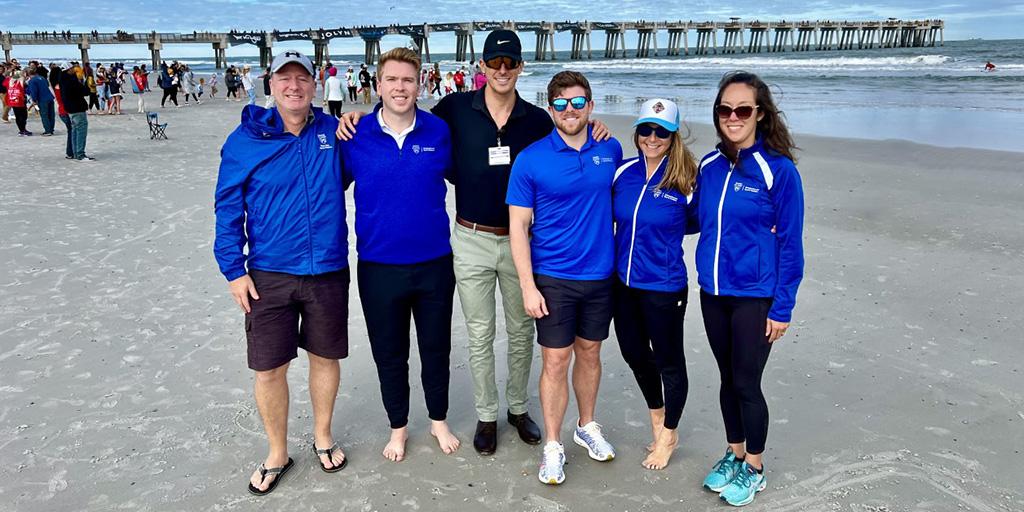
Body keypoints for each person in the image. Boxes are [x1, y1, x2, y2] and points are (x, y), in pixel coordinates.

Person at [214, 50, 350, 496]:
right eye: (284, 79)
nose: (294, 86)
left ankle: (323, 436)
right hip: (268, 274)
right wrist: (233, 270)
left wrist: (358, 120)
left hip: (327, 267)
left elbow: (369, 162)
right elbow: (227, 209)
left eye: (302, 78)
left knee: (325, 357)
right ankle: (277, 452)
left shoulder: (332, 132)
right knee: (269, 368)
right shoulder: (244, 141)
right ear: (270, 85)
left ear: (315, 85)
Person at [339, 47, 460, 463]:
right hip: (378, 266)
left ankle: (438, 420)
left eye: (408, 79)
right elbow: (326, 183)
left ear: (420, 84)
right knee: (390, 353)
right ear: (378, 85)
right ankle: (399, 427)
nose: (400, 87)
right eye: (391, 79)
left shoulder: (438, 131)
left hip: (434, 263)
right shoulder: (355, 134)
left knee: (436, 348)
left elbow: (476, 170)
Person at [507, 71, 623, 485]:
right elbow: (518, 226)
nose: (569, 110)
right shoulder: (531, 158)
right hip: (553, 275)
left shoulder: (610, 148)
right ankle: (553, 445)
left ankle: (586, 425)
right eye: (560, 103)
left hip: (601, 274)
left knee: (590, 352)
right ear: (550, 108)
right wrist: (527, 286)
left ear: (590, 105)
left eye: (577, 102)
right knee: (556, 360)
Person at [695, 71, 804, 507]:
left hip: (755, 295)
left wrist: (783, 306)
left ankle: (755, 468)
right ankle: (735, 453)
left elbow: (791, 243)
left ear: (760, 113)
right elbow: (694, 218)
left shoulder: (778, 170)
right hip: (713, 292)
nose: (733, 117)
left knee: (746, 381)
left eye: (743, 109)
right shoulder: (709, 165)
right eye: (725, 109)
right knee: (726, 378)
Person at [611, 98, 699, 470]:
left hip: (664, 287)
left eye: (661, 132)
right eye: (646, 129)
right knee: (633, 353)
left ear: (673, 136)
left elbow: (709, 220)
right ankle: (658, 416)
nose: (652, 137)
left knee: (669, 362)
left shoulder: (688, 180)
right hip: (623, 284)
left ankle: (669, 434)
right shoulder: (623, 173)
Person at [59, 63, 93, 160]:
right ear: (69, 70)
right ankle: (80, 154)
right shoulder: (71, 81)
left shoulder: (63, 80)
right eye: (72, 68)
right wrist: (85, 82)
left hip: (70, 108)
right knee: (81, 131)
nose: (74, 70)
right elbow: (85, 91)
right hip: (77, 108)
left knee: (74, 130)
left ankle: (75, 153)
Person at [26, 66, 55, 135]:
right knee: (51, 115)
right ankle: (51, 129)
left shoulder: (32, 81)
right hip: (50, 97)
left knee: (44, 115)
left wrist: (34, 100)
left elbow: (34, 91)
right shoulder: (42, 78)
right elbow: (47, 85)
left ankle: (48, 131)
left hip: (42, 99)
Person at [6, 71, 30, 135]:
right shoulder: (21, 82)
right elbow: (27, 89)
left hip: (13, 101)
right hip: (20, 101)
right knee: (23, 116)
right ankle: (23, 130)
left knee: (18, 116)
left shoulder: (9, 81)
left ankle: (21, 130)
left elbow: (5, 83)